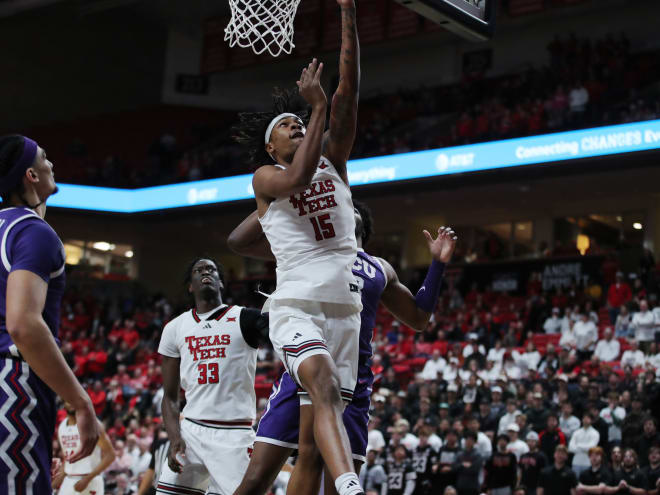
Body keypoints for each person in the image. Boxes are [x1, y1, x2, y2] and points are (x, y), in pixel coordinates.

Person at [228, 201, 456, 495]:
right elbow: (238, 241)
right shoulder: (310, 249)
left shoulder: (379, 267)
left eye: (353, 205)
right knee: (256, 479)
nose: (347, 205)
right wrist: (280, 195)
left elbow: (419, 318)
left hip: (354, 377)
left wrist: (437, 265)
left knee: (332, 483)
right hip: (305, 367)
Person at [232, 2, 365, 492]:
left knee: (310, 447)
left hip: (345, 310)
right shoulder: (266, 176)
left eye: (298, 122)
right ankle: (351, 486)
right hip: (296, 308)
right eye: (285, 126)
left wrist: (348, 15)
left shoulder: (334, 159)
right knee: (324, 385)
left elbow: (348, 91)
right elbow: (298, 176)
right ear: (270, 147)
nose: (295, 126)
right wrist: (314, 108)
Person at [0, 135, 99, 492]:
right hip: (12, 384)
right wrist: (80, 401)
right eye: (44, 158)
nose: (52, 164)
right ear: (31, 175)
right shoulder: (32, 231)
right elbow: (23, 325)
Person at [156, 257, 269, 494]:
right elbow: (169, 396)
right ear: (191, 285)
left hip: (234, 434)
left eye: (211, 269)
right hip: (191, 432)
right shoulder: (175, 328)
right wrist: (175, 437)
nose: (206, 272)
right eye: (198, 270)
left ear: (221, 283)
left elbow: (283, 339)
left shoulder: (246, 318)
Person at [53, 401, 116, 495]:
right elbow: (67, 460)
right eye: (68, 399)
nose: (72, 401)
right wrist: (52, 485)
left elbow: (110, 455)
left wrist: (87, 479)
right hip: (69, 480)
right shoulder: (62, 427)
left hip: (90, 480)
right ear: (64, 402)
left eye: (73, 398)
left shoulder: (92, 424)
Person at [453, 431, 482, 495]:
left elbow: (474, 469)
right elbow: (454, 468)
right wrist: (463, 465)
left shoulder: (477, 455)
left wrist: (461, 466)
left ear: (475, 442)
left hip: (472, 486)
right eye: (467, 439)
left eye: (471, 440)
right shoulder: (459, 454)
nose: (468, 442)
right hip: (460, 485)